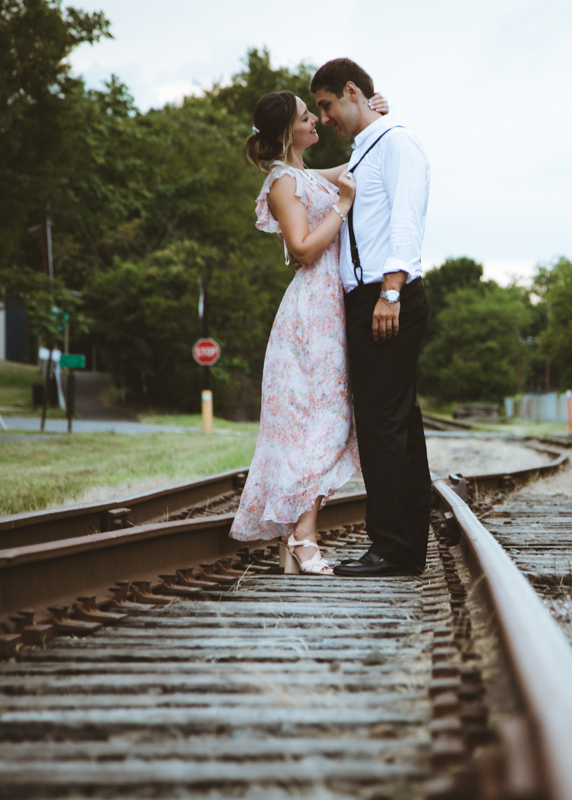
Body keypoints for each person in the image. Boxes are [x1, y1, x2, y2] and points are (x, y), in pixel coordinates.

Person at [228, 89, 387, 575]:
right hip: (309, 318)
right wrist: (341, 208)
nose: (316, 121)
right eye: (305, 117)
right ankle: (302, 536)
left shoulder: (301, 175)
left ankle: (297, 537)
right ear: (286, 133)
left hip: (328, 314)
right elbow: (301, 250)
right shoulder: (282, 182)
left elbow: (353, 169)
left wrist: (373, 121)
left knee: (324, 424)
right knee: (317, 426)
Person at [310, 58, 432, 578]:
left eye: (327, 105)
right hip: (370, 300)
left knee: (382, 426)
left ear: (352, 91)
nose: (325, 117)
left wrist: (391, 292)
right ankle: (404, 548)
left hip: (387, 296)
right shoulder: (366, 149)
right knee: (396, 424)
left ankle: (389, 549)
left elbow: (406, 219)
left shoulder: (397, 144)